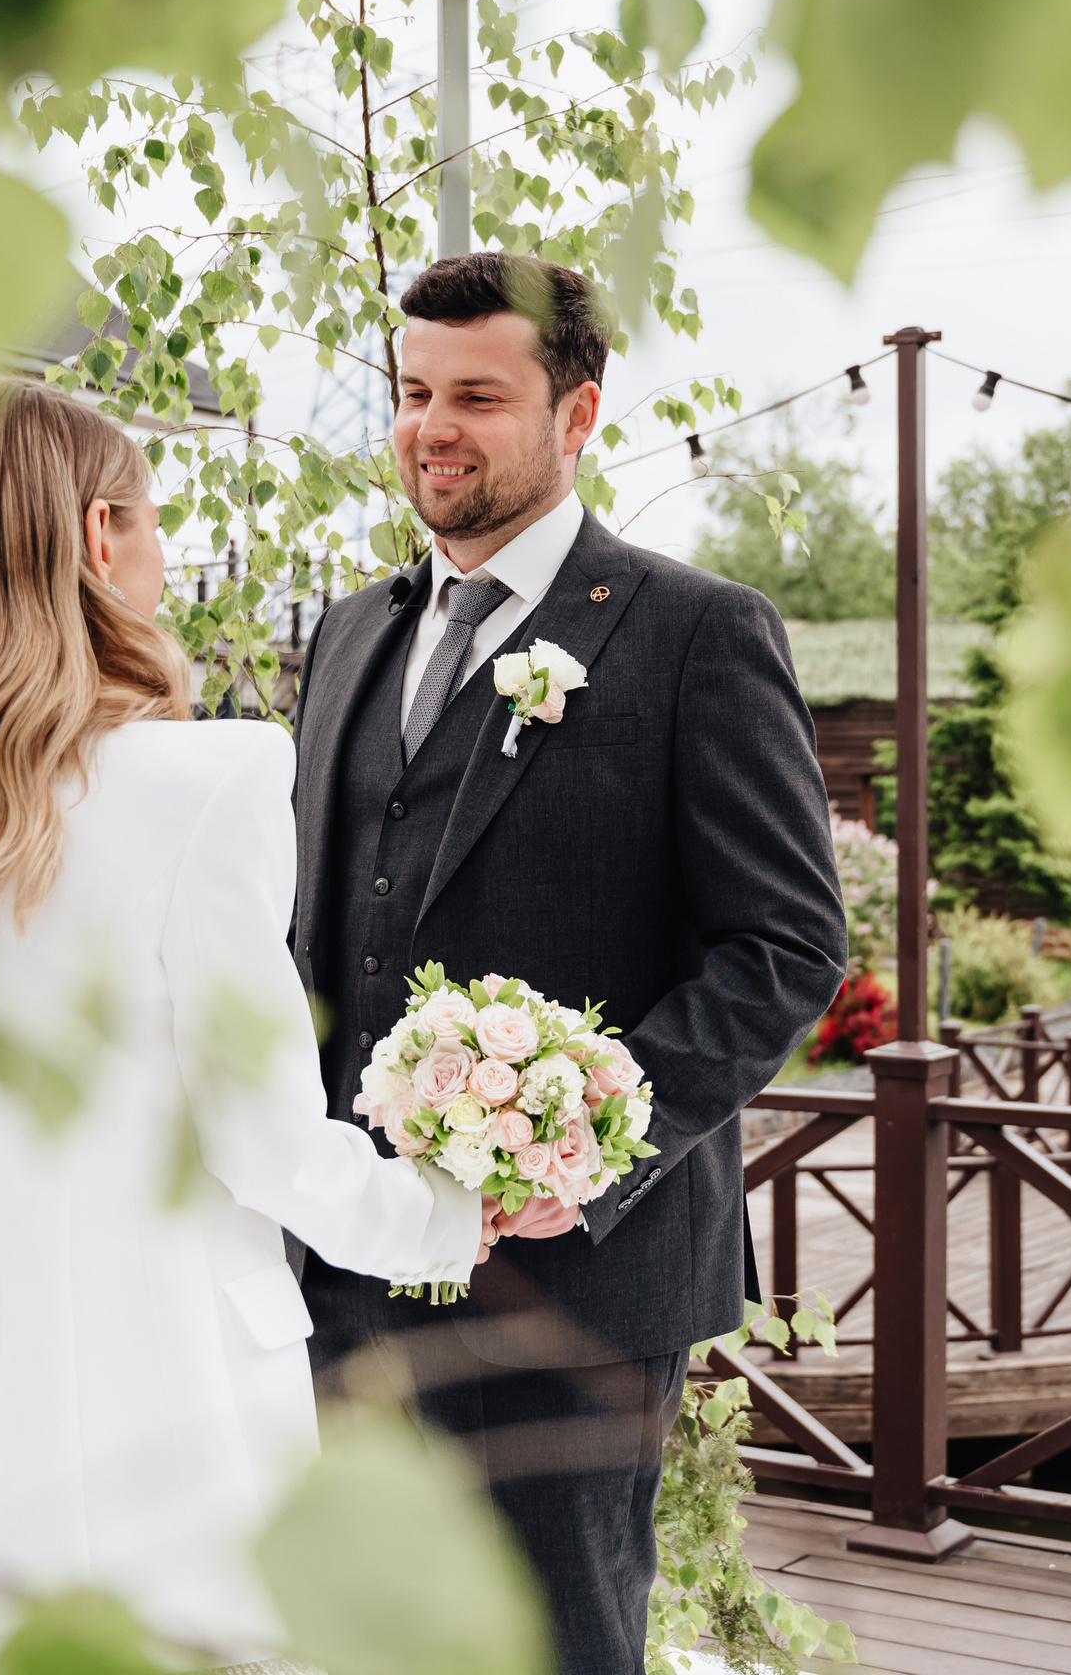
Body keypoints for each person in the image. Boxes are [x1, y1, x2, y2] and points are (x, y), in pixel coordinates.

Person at [0, 378, 501, 1675]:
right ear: (99, 539)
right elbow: (262, 1137)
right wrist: (451, 1207)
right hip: (177, 1366)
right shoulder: (208, 779)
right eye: (150, 520)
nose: (160, 550)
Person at [290, 251, 847, 1675]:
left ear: (578, 415)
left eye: (477, 394)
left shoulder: (694, 635)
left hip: (574, 1289)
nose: (432, 427)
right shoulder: (352, 633)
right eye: (413, 393)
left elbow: (784, 947)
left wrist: (586, 1145)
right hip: (344, 1261)